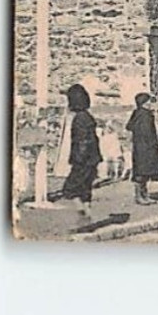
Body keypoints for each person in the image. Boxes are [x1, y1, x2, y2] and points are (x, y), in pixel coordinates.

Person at [61, 83, 101, 219]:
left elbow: (82, 142)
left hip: (83, 159)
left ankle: (81, 211)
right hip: (93, 159)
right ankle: (87, 210)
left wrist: (78, 159)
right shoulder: (88, 116)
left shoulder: (79, 119)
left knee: (70, 188)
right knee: (86, 187)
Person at [126, 92, 158, 206]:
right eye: (149, 101)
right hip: (146, 148)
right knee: (142, 173)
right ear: (144, 103)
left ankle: (143, 195)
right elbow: (149, 133)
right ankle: (140, 196)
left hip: (138, 147)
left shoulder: (137, 113)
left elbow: (129, 126)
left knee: (141, 172)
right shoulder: (146, 115)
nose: (150, 103)